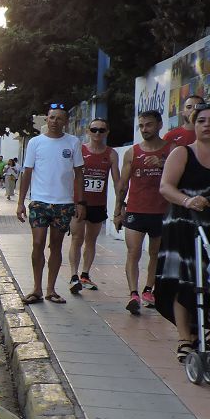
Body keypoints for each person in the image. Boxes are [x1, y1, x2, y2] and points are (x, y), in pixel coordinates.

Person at [155, 102, 210, 362]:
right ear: (194, 124)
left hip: (208, 227)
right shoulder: (182, 153)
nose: (206, 125)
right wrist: (188, 201)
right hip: (182, 223)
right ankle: (184, 338)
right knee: (183, 280)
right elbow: (166, 187)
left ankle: (201, 331)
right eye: (201, 121)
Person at [16, 103, 84, 304]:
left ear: (66, 122)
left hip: (63, 204)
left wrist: (80, 202)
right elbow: (27, 172)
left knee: (56, 245)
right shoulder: (35, 143)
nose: (55, 122)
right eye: (52, 117)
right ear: (46, 119)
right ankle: (36, 289)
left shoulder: (73, 143)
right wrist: (20, 202)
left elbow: (79, 174)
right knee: (37, 243)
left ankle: (51, 289)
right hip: (39, 202)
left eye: (59, 118)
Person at [114, 110, 173, 314]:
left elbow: (181, 177)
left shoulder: (172, 150)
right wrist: (117, 211)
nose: (144, 129)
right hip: (136, 210)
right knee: (133, 252)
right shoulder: (133, 152)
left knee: (155, 253)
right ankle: (133, 294)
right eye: (141, 126)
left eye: (148, 125)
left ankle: (149, 290)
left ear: (159, 125)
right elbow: (123, 184)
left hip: (162, 211)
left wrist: (164, 164)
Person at [68, 119, 120, 294]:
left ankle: (85, 274)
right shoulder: (80, 150)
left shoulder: (111, 154)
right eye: (94, 130)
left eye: (101, 130)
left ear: (107, 132)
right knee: (77, 238)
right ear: (88, 132)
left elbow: (117, 181)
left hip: (98, 204)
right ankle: (73, 276)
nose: (97, 133)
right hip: (79, 203)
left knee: (91, 240)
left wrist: (120, 206)